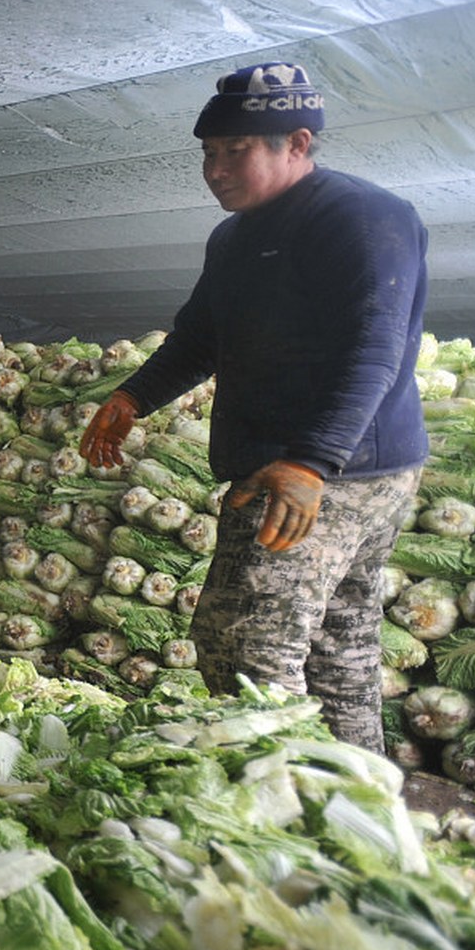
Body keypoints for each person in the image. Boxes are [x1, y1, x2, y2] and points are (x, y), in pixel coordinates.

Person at [78, 62, 428, 753]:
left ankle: (283, 801)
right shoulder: (233, 238)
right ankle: (354, 802)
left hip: (328, 473)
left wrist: (310, 461)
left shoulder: (361, 218)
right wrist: (133, 396)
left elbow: (373, 349)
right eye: (208, 153)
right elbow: (199, 338)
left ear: (296, 143)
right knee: (336, 650)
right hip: (296, 465)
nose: (214, 168)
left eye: (235, 150)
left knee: (244, 647)